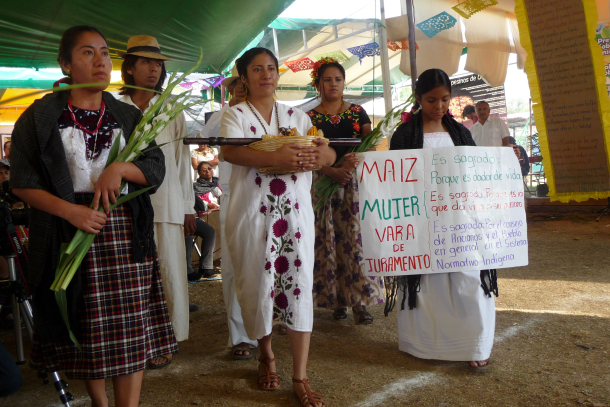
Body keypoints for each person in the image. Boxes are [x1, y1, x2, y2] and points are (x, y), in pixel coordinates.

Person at [10, 26, 177, 407]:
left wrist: (119, 169)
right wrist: (71, 211)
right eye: (87, 53)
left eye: (104, 53)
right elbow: (22, 182)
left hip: (124, 235)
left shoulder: (125, 114)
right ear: (66, 63)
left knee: (132, 329)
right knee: (88, 330)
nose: (100, 61)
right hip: (67, 234)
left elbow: (154, 166)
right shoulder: (40, 117)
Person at [221, 47, 335, 406]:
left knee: (298, 286)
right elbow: (230, 152)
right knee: (259, 283)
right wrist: (275, 158)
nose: (265, 75)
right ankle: (266, 354)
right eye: (257, 69)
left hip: (295, 217)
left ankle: (300, 375)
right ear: (244, 77)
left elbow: (327, 152)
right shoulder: (234, 115)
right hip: (253, 215)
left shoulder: (296, 115)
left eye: (271, 68)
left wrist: (324, 156)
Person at [390, 69, 498, 368]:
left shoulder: (460, 132)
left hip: (460, 217)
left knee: (469, 276)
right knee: (427, 280)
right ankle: (425, 344)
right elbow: (395, 179)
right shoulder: (404, 135)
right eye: (431, 100)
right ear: (418, 99)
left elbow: (476, 171)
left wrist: (507, 159)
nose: (439, 106)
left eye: (445, 99)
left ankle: (475, 346)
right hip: (422, 219)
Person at [118, 35, 196, 369]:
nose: (154, 68)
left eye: (158, 63)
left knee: (169, 272)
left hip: (166, 203)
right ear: (130, 67)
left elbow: (180, 160)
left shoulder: (172, 107)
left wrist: (188, 206)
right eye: (146, 62)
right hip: (123, 205)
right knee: (129, 275)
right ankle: (133, 339)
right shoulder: (112, 104)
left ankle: (168, 339)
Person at [306, 58, 385, 325]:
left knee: (356, 240)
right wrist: (332, 171)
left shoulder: (358, 112)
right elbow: (309, 154)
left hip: (354, 184)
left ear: (344, 82)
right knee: (328, 241)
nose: (333, 84)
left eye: (337, 79)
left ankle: (360, 302)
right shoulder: (309, 117)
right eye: (327, 79)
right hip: (323, 185)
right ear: (317, 84)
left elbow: (370, 145)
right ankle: (336, 300)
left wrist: (353, 162)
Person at [200, 68, 257, 359]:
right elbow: (206, 144)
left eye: (244, 83)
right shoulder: (221, 117)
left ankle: (266, 325)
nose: (241, 88)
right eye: (236, 84)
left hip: (269, 198)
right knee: (235, 268)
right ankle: (241, 337)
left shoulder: (276, 116)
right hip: (235, 196)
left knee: (267, 265)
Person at [185, 161, 218, 281]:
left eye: (209, 168)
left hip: (191, 215)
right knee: (187, 231)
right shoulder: (195, 186)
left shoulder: (216, 184)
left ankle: (206, 267)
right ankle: (187, 270)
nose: (208, 171)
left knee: (210, 231)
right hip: (181, 215)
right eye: (204, 170)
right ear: (198, 173)